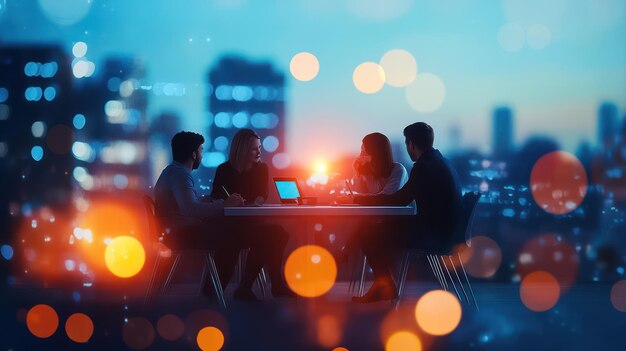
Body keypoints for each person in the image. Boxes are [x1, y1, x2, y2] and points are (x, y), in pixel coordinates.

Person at [340, 122, 463, 303]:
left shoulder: (424, 166)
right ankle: (385, 285)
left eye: (407, 144)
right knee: (373, 230)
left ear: (411, 144)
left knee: (370, 235)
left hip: (434, 234)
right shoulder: (440, 161)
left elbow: (397, 199)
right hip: (447, 231)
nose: (407, 149)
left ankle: (385, 285)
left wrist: (356, 199)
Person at [153, 131, 263, 301]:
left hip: (175, 231)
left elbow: (186, 203)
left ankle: (214, 291)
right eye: (201, 151)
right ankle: (214, 293)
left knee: (235, 234)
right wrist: (224, 204)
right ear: (193, 154)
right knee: (237, 236)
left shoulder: (171, 172)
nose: (202, 156)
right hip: (181, 235)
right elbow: (191, 210)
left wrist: (209, 200)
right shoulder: (181, 176)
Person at [211, 128, 295, 299]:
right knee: (274, 235)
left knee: (276, 234)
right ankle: (266, 286)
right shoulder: (224, 170)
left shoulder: (262, 168)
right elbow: (216, 196)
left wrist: (256, 202)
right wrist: (231, 202)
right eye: (254, 148)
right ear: (242, 150)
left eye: (259, 148)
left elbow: (262, 194)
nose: (259, 152)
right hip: (230, 226)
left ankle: (249, 287)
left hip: (253, 222)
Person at [338, 132, 408, 262]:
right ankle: (345, 253)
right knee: (363, 228)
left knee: (367, 233)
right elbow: (358, 197)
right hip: (374, 220)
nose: (360, 156)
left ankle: (345, 252)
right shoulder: (366, 173)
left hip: (396, 223)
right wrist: (357, 174)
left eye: (364, 152)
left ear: (376, 153)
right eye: (361, 152)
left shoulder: (398, 170)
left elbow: (386, 197)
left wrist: (356, 198)